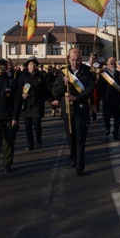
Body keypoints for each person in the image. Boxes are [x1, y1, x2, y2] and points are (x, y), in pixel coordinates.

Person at [52, 48, 96, 176]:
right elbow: (56, 91)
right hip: (67, 110)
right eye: (72, 60)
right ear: (69, 59)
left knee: (80, 138)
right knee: (71, 138)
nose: (75, 62)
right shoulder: (62, 73)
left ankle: (80, 165)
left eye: (77, 60)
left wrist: (76, 97)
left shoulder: (88, 72)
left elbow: (90, 89)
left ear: (81, 60)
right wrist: (63, 83)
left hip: (81, 109)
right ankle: (74, 157)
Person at [19, 56, 49, 150]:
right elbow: (18, 89)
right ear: (27, 66)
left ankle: (39, 141)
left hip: (37, 105)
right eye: (30, 64)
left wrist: (51, 100)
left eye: (34, 64)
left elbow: (45, 90)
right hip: (26, 105)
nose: (32, 66)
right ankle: (30, 143)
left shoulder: (40, 77)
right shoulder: (23, 77)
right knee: (28, 127)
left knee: (37, 125)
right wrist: (22, 94)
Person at [97, 57, 120, 140]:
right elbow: (99, 87)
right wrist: (104, 95)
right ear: (107, 64)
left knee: (117, 117)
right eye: (111, 63)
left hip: (117, 100)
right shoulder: (103, 75)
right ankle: (107, 127)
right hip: (107, 100)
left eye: (114, 63)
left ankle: (116, 132)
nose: (113, 65)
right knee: (106, 116)